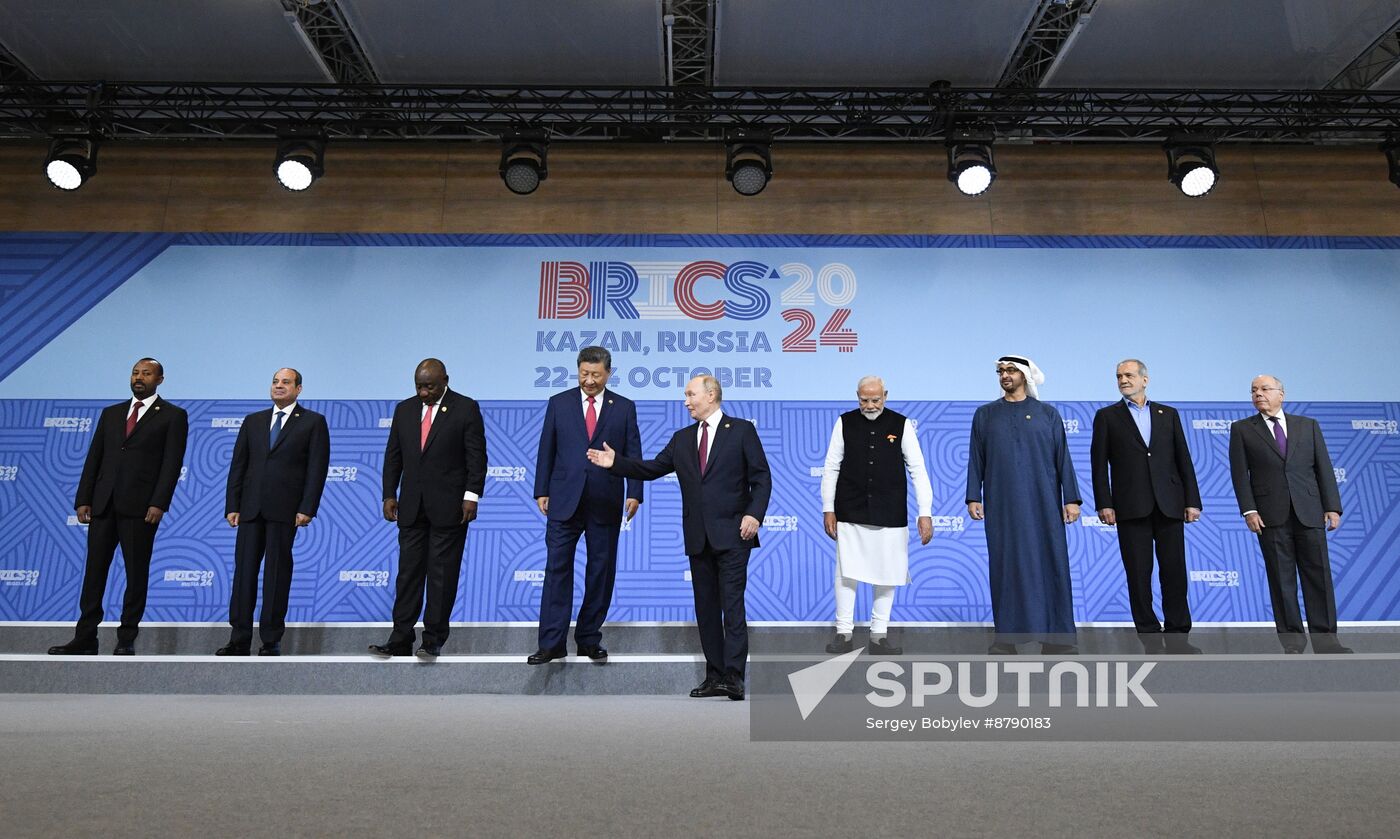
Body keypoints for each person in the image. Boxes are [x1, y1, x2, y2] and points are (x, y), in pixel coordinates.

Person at [587, 375, 770, 700]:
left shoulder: (741, 430)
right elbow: (653, 468)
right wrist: (616, 463)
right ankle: (713, 676)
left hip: (734, 534)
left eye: (691, 394)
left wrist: (754, 515)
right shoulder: (683, 438)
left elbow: (762, 478)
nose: (686, 401)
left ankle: (734, 677)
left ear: (711, 395)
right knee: (706, 609)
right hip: (698, 536)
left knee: (732, 605)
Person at [49, 358, 188, 656]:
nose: (139, 378)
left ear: (160, 380)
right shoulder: (111, 414)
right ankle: (85, 637)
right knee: (94, 572)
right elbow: (94, 458)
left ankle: (126, 638)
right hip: (103, 504)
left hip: (141, 508)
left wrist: (158, 502)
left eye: (146, 374)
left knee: (136, 574)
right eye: (136, 373)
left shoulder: (173, 416)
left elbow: (171, 464)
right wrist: (83, 498)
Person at [529, 347, 643, 664]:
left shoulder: (624, 407)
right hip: (564, 498)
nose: (588, 380)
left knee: (600, 572)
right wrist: (541, 489)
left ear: (608, 373)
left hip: (605, 500)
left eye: (595, 374)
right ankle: (551, 643)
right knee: (557, 570)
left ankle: (589, 638)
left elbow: (632, 452)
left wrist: (635, 490)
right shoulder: (559, 403)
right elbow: (546, 450)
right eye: (583, 373)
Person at [370, 358, 488, 659]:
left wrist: (471, 496)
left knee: (441, 575)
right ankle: (400, 639)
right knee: (407, 574)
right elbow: (393, 456)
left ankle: (433, 639)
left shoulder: (465, 408)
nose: (423, 392)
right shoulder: (404, 409)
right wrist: (388, 494)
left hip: (450, 507)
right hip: (411, 507)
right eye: (419, 386)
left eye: (430, 386)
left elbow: (476, 457)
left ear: (445, 379)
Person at [965, 355, 1082, 655]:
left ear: (1025, 376)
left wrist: (1070, 498)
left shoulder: (1047, 414)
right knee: (1006, 566)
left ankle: (1056, 640)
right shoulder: (985, 415)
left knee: (1051, 563)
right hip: (1002, 503)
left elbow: (1062, 459)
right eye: (1000, 371)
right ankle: (1007, 639)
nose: (1004, 375)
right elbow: (976, 459)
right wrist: (973, 496)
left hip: (1044, 502)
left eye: (1011, 370)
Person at [1229, 375, 1350, 654]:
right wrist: (1249, 509)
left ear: (1281, 394)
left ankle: (1327, 641)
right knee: (1281, 580)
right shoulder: (1242, 429)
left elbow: (1323, 468)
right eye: (1254, 391)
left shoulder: (1308, 426)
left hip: (1309, 512)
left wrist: (1331, 506)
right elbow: (1239, 475)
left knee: (1318, 577)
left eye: (1264, 389)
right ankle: (1293, 643)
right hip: (1269, 515)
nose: (1258, 394)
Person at [1090, 359, 1203, 654]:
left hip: (1170, 505)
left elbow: (1184, 460)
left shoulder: (1169, 414)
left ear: (1145, 379)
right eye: (1118, 376)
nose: (1123, 380)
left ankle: (1179, 637)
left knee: (1174, 572)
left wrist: (1192, 500)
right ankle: (1150, 638)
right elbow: (1098, 465)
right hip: (1129, 507)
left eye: (1128, 375)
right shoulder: (1107, 417)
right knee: (1139, 575)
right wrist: (1105, 503)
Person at [217, 368, 330, 656]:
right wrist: (233, 505)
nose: (279, 386)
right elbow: (238, 467)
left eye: (286, 382)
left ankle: (270, 639)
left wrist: (307, 508)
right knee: (244, 575)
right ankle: (239, 639)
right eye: (275, 382)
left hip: (286, 511)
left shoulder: (313, 422)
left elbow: (316, 470)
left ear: (299, 389)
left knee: (277, 576)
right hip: (250, 510)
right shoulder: (252, 421)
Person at [820, 376, 933, 656]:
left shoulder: (901, 424)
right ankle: (843, 633)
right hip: (850, 509)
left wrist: (925, 512)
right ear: (857, 396)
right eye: (864, 400)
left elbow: (918, 469)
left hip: (890, 510)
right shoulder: (844, 422)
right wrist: (828, 507)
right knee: (846, 572)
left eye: (875, 400)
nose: (869, 405)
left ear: (885, 395)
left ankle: (878, 636)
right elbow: (831, 466)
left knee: (888, 573)